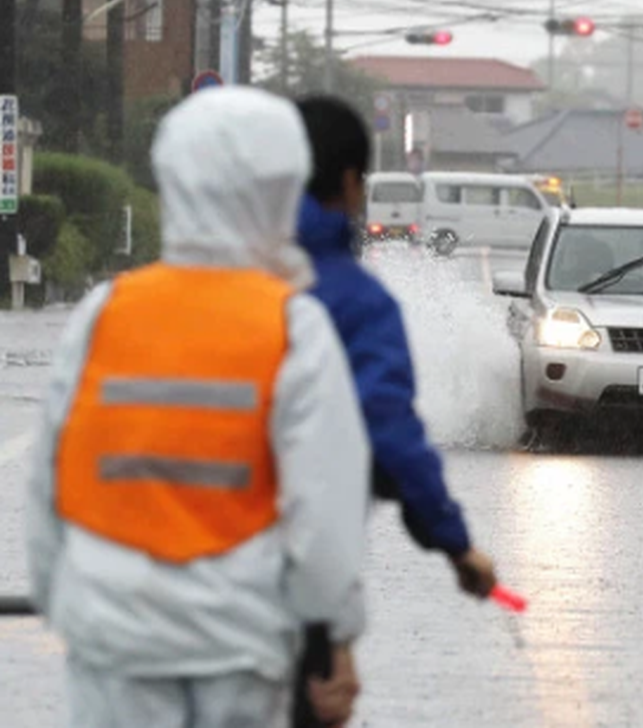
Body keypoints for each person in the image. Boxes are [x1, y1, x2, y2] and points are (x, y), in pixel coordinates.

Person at [26, 87, 370, 727]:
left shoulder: (104, 314)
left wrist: (62, 598)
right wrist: (333, 638)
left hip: (112, 634)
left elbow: (50, 477)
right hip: (239, 639)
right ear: (282, 186)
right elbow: (324, 512)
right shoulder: (294, 326)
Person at [294, 95, 498, 601]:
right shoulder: (354, 301)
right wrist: (454, 544)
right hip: (278, 585)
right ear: (349, 183)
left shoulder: (125, 302)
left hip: (134, 599)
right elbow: (386, 432)